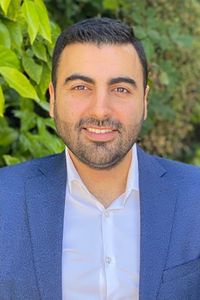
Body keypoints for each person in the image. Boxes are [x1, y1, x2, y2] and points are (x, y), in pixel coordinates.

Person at [0, 17, 200, 300]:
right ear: (53, 99)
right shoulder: (4, 199)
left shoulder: (196, 198)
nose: (101, 110)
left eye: (120, 89)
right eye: (81, 87)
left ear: (144, 100)